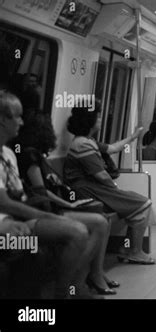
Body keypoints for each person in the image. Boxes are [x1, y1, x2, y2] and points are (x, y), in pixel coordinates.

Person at [10, 110, 119, 295]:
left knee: (102, 219)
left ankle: (89, 276)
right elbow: (42, 193)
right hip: (48, 208)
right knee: (99, 222)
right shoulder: (30, 157)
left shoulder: (35, 155)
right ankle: (73, 284)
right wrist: (67, 204)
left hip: (55, 206)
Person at [0, 90, 96, 298]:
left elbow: (18, 194)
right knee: (76, 232)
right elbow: (5, 203)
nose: (21, 122)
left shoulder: (8, 154)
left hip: (21, 215)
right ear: (2, 120)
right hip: (7, 221)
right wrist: (49, 216)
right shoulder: (26, 156)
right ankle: (61, 293)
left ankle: (71, 288)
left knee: (89, 226)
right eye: (16, 116)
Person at [64, 104, 156, 264]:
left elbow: (113, 148)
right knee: (143, 204)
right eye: (99, 117)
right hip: (88, 190)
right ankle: (134, 251)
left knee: (140, 203)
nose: (101, 120)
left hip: (94, 188)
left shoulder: (88, 141)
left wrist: (133, 137)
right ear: (90, 121)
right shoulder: (83, 144)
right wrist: (116, 190)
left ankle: (127, 249)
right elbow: (101, 175)